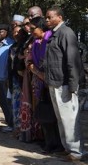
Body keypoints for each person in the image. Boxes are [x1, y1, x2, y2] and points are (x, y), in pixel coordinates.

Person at [43, 6, 84, 161]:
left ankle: (76, 152)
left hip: (65, 84)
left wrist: (73, 85)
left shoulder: (66, 33)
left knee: (70, 119)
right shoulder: (54, 34)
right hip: (54, 83)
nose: (46, 20)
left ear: (59, 17)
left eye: (49, 17)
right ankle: (68, 149)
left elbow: (72, 61)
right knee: (61, 118)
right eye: (46, 17)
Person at [28, 17, 64, 154]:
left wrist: (46, 76)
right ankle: (49, 142)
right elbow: (30, 62)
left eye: (33, 29)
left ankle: (60, 144)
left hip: (53, 81)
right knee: (44, 114)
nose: (31, 31)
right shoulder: (35, 43)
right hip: (40, 82)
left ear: (41, 28)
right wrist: (37, 72)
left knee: (56, 115)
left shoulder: (51, 39)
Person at [0, 24, 14, 132]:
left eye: (1, 31)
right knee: (2, 102)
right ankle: (9, 122)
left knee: (8, 102)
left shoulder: (10, 44)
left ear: (6, 32)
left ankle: (12, 124)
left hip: (6, 78)